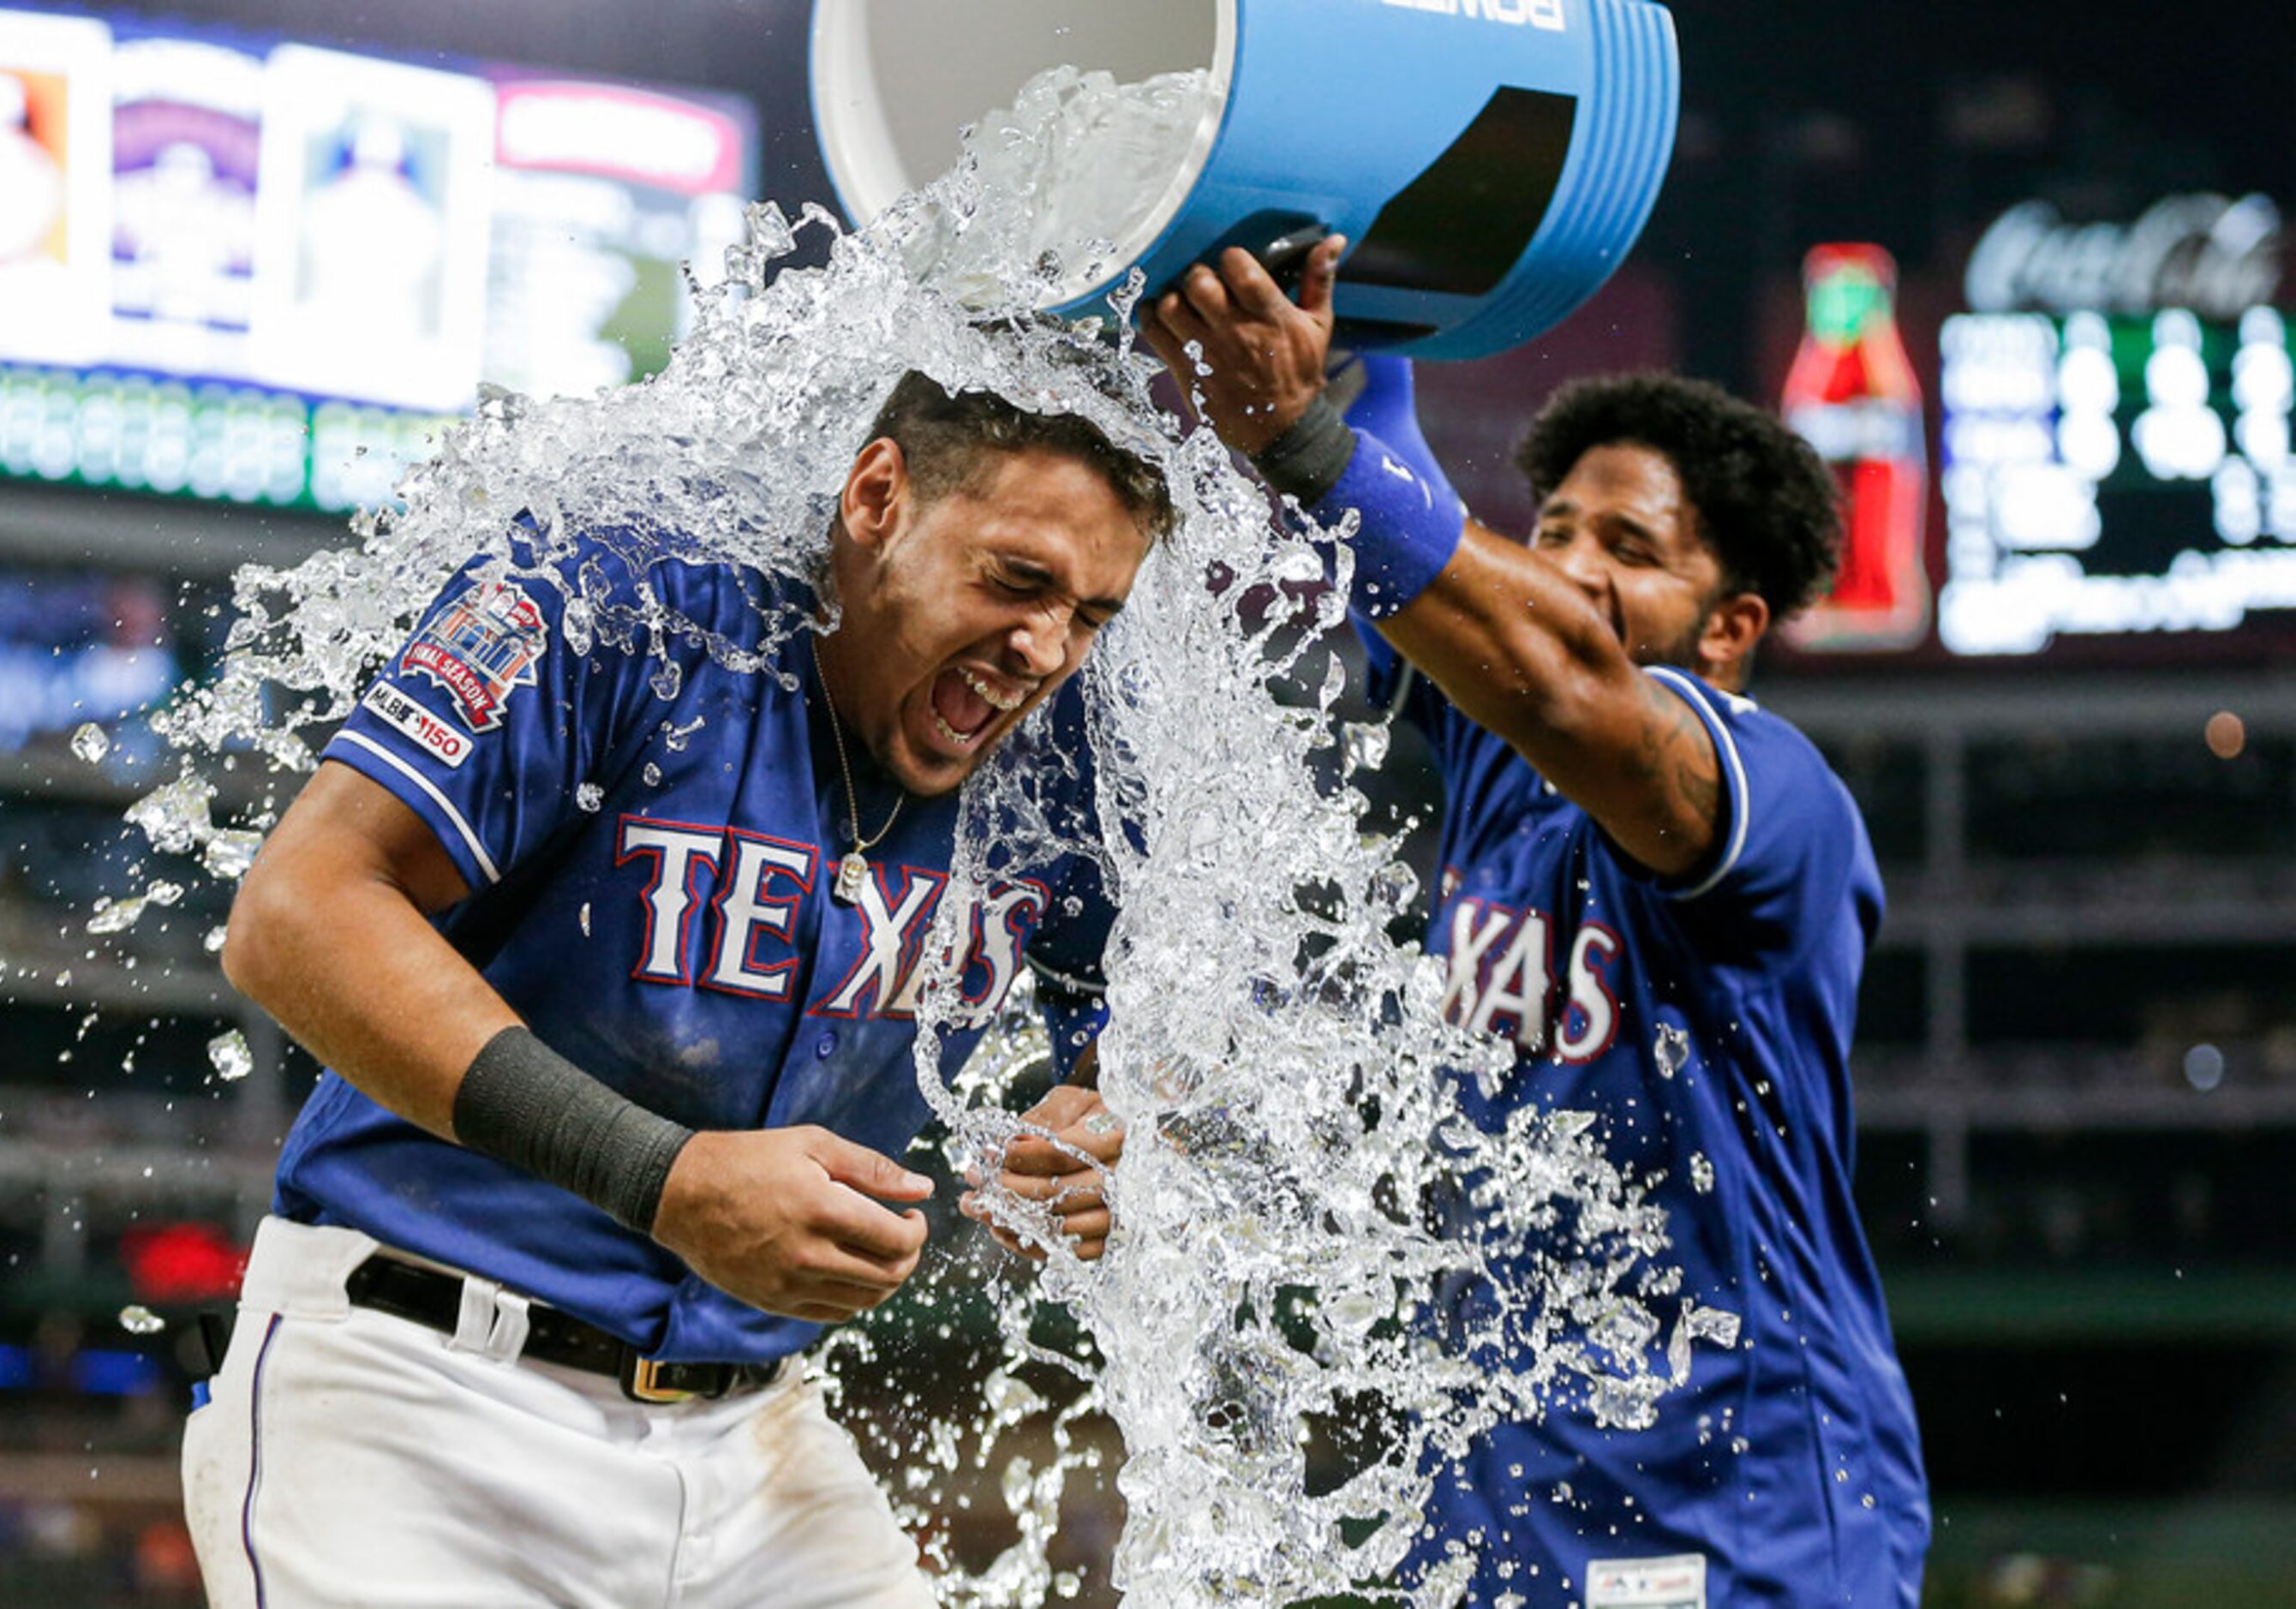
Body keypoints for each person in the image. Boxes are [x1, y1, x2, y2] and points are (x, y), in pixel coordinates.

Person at [181, 371, 1153, 1607]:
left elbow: (1169, 1026)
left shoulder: (1070, 755)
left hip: (753, 1443)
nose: (1046, 649)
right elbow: (295, 913)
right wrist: (664, 1176)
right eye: (1016, 580)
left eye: (1092, 613)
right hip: (415, 1393)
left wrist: (1117, 1130)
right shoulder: (622, 596)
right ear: (876, 497)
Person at [1141, 240, 1929, 1606]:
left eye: (1628, 548)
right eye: (1553, 528)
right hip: (1512, 1504)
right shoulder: (1505, 746)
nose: (1566, 566)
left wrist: (1301, 435)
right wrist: (1315, 284)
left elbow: (1556, 666)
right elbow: (1393, 480)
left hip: (1750, 1510)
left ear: (1732, 627)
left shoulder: (1777, 794)